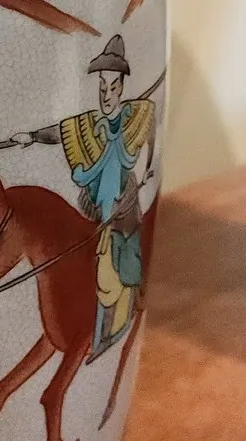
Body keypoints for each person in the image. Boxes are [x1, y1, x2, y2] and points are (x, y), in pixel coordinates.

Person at [11, 36, 156, 359]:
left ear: (122, 87)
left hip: (123, 203)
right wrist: (31, 136)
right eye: (102, 87)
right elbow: (62, 131)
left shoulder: (134, 116)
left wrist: (146, 168)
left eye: (113, 87)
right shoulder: (90, 125)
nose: (107, 95)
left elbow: (149, 133)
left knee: (121, 263)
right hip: (95, 203)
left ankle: (118, 318)